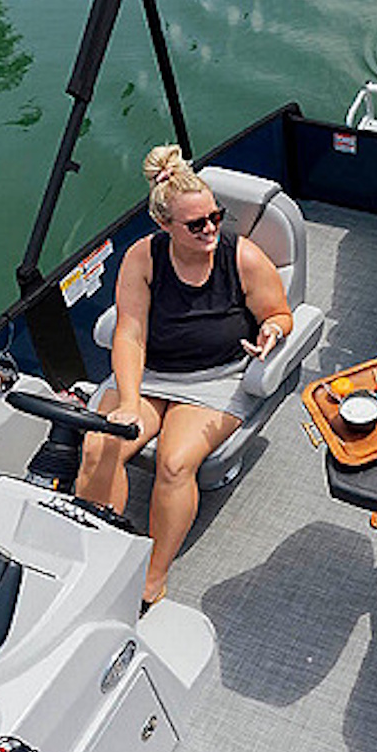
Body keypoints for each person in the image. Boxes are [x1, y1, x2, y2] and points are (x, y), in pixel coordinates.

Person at [77, 146, 293, 612]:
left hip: (216, 378)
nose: (211, 228)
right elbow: (129, 333)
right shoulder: (143, 257)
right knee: (99, 446)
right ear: (164, 225)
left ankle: (152, 577)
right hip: (152, 373)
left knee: (175, 463)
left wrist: (273, 331)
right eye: (196, 224)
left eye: (216, 217)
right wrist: (128, 401)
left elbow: (279, 313)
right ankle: (99, 553)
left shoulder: (243, 256)